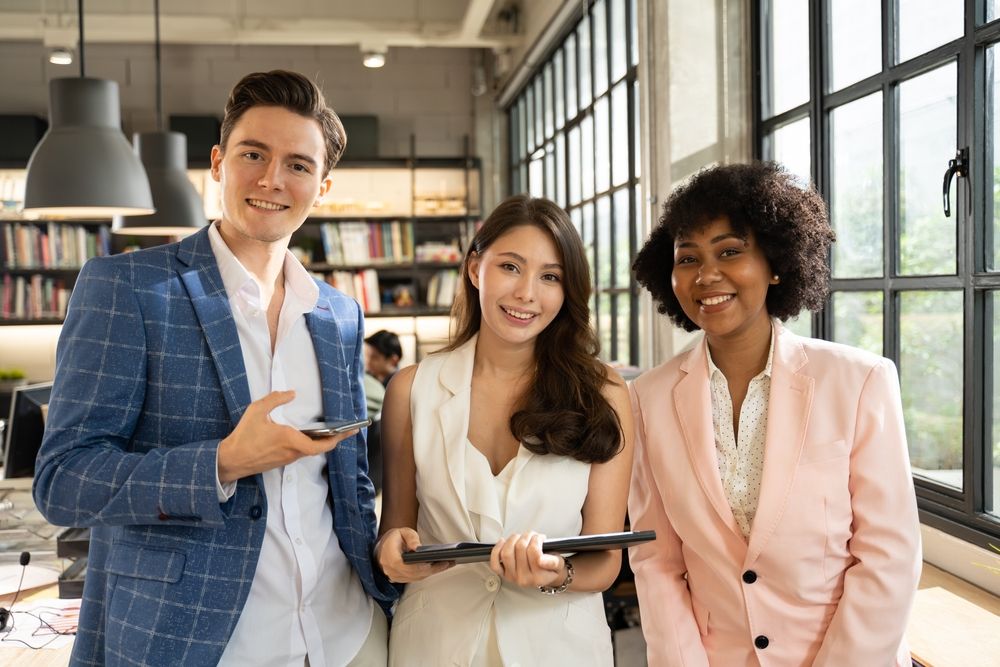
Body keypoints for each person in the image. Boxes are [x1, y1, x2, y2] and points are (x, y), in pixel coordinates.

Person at [32, 70, 396, 666]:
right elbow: (63, 482)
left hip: (346, 634)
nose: (272, 179)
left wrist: (387, 555)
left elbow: (348, 478)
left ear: (322, 187)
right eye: (254, 154)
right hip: (199, 644)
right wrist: (222, 462)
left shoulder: (339, 313)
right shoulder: (128, 288)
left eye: (298, 165)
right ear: (218, 163)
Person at [627, 162, 921, 666]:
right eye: (688, 258)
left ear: (776, 263)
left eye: (729, 251)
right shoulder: (648, 398)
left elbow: (888, 555)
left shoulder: (859, 382)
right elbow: (656, 560)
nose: (706, 275)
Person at [375, 194, 634, 666]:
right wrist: (392, 553)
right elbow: (396, 529)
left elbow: (605, 559)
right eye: (511, 267)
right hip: (434, 645)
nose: (526, 294)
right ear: (476, 268)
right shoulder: (412, 390)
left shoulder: (603, 392)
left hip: (558, 649)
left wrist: (555, 574)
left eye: (550, 277)